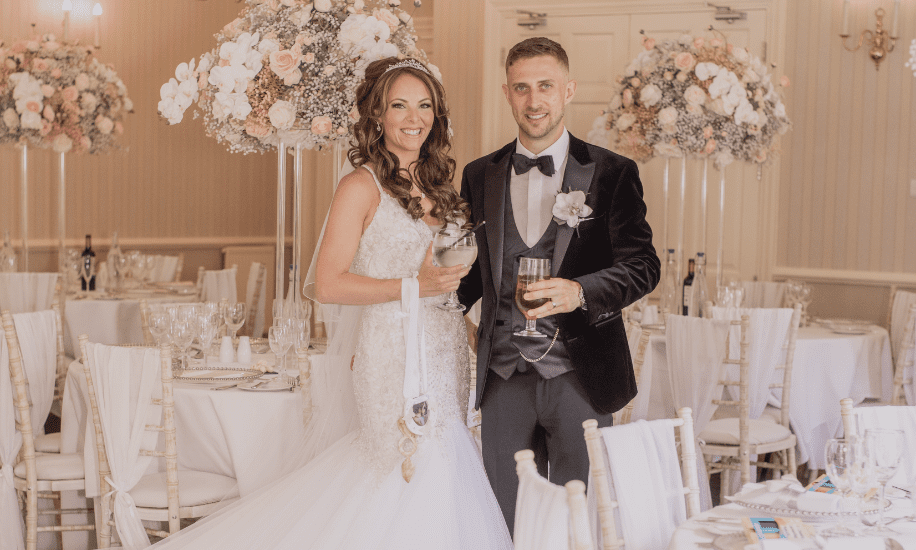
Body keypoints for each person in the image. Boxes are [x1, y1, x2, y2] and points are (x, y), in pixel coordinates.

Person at [146, 57, 512, 549]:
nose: (414, 117)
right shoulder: (360, 186)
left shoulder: (442, 189)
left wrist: (467, 320)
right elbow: (327, 284)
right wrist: (412, 285)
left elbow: (447, 281)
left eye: (424, 105)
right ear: (377, 116)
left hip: (446, 351)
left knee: (447, 461)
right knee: (401, 463)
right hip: (390, 353)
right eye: (399, 105)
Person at [457, 37, 660, 533]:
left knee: (581, 522)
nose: (534, 100)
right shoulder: (478, 175)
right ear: (507, 93)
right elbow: (465, 277)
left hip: (581, 376)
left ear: (568, 90)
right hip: (503, 378)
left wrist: (581, 291)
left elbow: (643, 265)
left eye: (545, 86)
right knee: (503, 519)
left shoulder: (613, 173)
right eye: (522, 88)